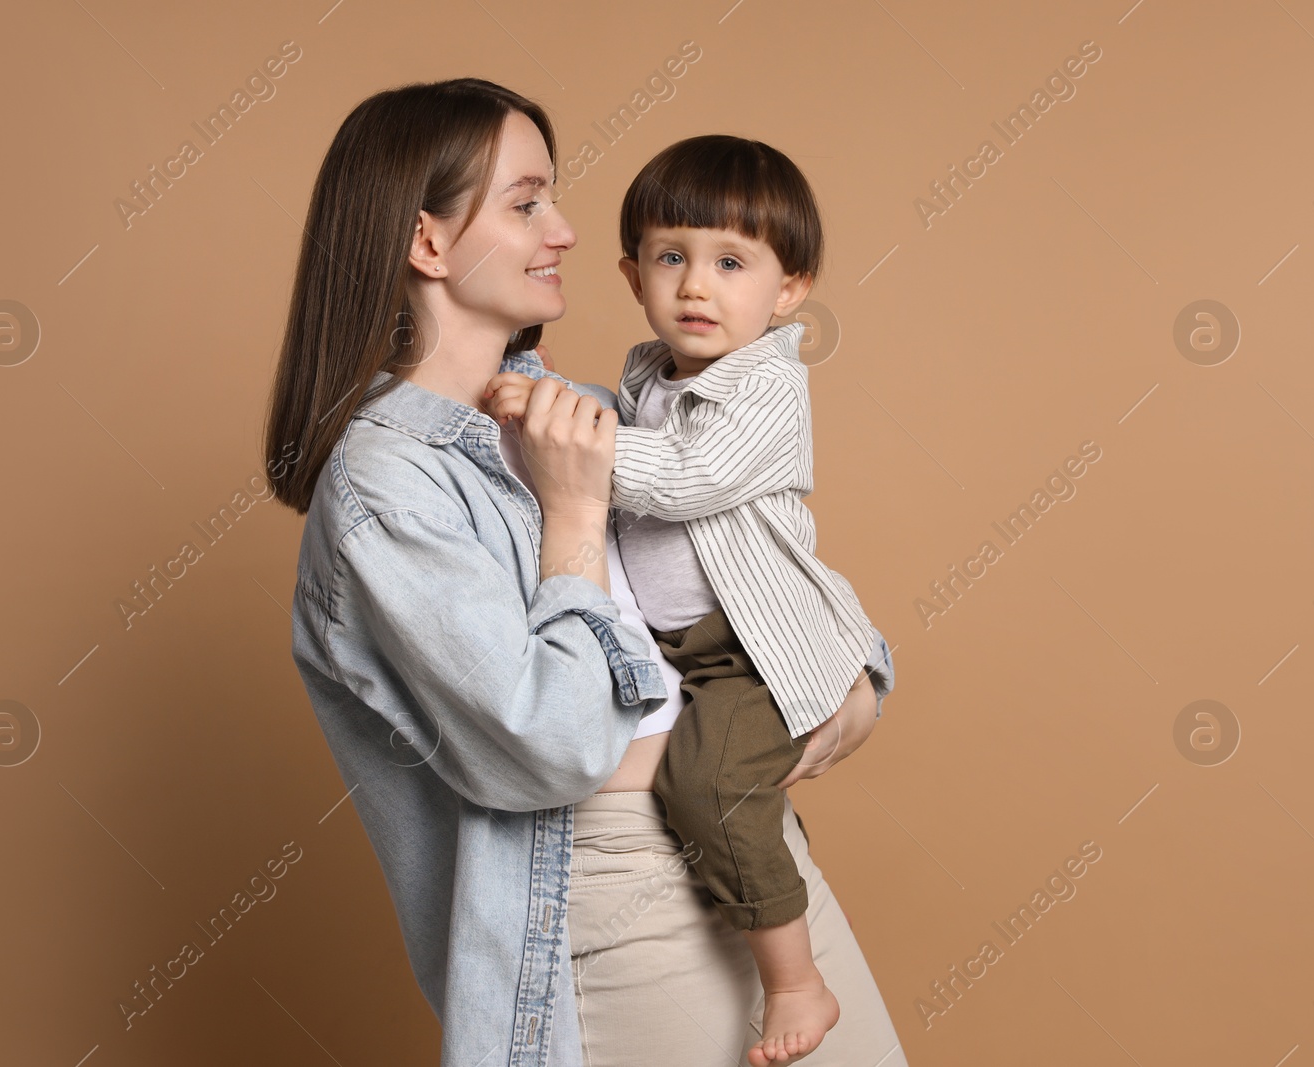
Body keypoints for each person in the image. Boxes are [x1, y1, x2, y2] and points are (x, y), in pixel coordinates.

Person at [265, 77, 906, 1066]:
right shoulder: (387, 485)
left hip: (746, 851)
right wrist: (572, 512)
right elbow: (548, 745)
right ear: (428, 244)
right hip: (607, 878)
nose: (563, 230)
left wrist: (858, 674)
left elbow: (751, 549)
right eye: (526, 204)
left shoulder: (574, 404)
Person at [482, 135, 895, 1065]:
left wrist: (571, 444)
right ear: (633, 276)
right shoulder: (647, 378)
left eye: (731, 263)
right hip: (696, 654)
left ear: (789, 290)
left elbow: (687, 477)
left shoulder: (767, 387)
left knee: (709, 785)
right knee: (722, 781)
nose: (696, 286)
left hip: (763, 651)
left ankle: (795, 980)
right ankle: (770, 920)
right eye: (672, 258)